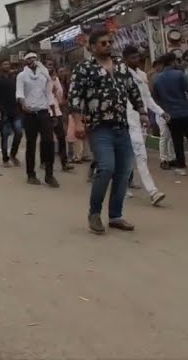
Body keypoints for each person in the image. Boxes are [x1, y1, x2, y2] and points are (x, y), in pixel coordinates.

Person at [70, 28, 145, 234]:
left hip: (121, 125)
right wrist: (77, 122)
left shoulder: (121, 66)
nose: (108, 46)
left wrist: (142, 111)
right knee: (106, 167)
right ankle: (94, 213)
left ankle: (115, 216)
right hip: (99, 126)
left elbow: (132, 89)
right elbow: (75, 97)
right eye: (103, 43)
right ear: (92, 47)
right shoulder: (84, 68)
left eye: (109, 42)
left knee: (124, 171)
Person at [122, 45, 166, 206]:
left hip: (142, 120)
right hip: (127, 120)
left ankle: (123, 186)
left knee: (134, 156)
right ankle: (153, 191)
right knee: (139, 155)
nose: (136, 60)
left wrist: (161, 112)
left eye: (137, 57)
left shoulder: (141, 75)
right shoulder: (120, 75)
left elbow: (147, 98)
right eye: (132, 58)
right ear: (125, 59)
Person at [153, 53, 188, 175]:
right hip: (185, 111)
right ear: (172, 62)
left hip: (170, 114)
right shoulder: (180, 75)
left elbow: (155, 98)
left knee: (177, 140)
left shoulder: (157, 79)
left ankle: (181, 166)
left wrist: (164, 110)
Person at [16, 52, 58, 187]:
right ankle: (31, 174)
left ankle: (49, 175)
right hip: (30, 114)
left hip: (44, 112)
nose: (32, 60)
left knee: (48, 142)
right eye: (29, 59)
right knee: (31, 144)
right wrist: (23, 104)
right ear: (25, 62)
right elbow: (20, 93)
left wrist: (54, 112)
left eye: (34, 58)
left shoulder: (43, 75)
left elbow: (49, 93)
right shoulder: (21, 76)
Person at [0, 60, 22, 168]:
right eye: (4, 64)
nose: (7, 66)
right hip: (3, 111)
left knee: (19, 132)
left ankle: (13, 154)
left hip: (15, 110)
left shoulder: (14, 79)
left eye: (8, 64)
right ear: (1, 66)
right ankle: (5, 159)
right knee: (5, 135)